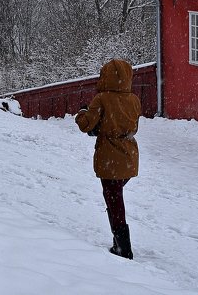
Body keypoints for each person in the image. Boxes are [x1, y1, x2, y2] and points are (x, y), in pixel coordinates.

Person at [75, 59, 141, 260]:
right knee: (115, 197)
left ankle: (123, 247)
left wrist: (82, 112)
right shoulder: (134, 99)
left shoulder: (102, 98)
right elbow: (134, 126)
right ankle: (119, 242)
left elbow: (86, 125)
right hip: (129, 155)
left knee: (114, 200)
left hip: (109, 156)